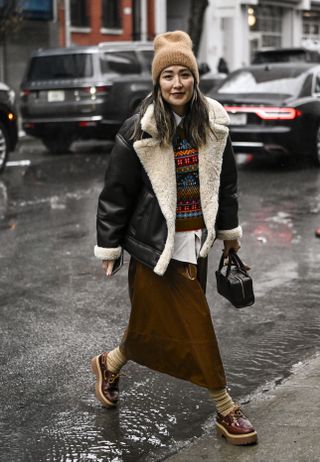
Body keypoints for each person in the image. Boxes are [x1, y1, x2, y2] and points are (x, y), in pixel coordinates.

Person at [91, 30, 257, 446]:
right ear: (157, 81)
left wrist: (229, 234)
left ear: (195, 78)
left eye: (184, 74)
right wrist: (109, 245)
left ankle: (109, 364)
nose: (177, 83)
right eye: (168, 76)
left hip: (196, 243)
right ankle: (225, 408)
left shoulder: (214, 123)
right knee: (196, 324)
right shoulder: (138, 129)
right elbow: (116, 193)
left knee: (152, 322)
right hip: (155, 248)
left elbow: (227, 185)